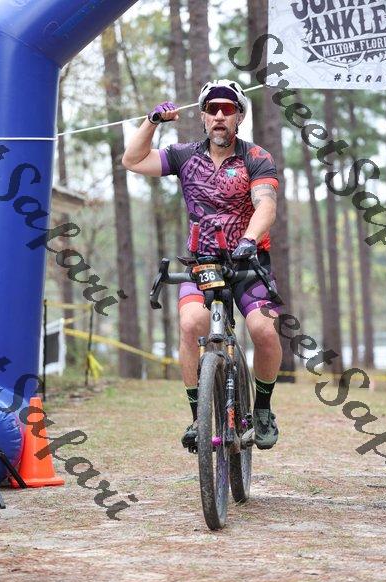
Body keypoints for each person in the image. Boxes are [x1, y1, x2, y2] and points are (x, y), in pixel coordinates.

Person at [122, 79, 282, 450]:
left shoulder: (256, 157)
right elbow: (132, 161)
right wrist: (151, 122)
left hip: (248, 260)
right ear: (203, 117)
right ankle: (198, 416)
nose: (219, 115)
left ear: (239, 116)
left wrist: (249, 239)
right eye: (212, 109)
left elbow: (266, 205)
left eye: (228, 109)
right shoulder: (184, 156)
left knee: (264, 330)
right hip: (202, 261)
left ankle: (262, 409)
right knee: (191, 323)